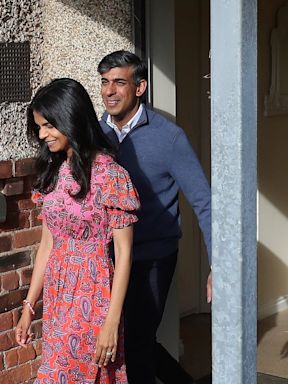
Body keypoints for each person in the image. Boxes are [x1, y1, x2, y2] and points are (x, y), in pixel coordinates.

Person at [97, 50, 212, 384]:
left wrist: (218, 264)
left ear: (140, 87)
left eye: (119, 82)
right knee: (127, 340)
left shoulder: (169, 137)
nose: (109, 91)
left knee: (135, 342)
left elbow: (204, 202)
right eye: (104, 82)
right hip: (106, 259)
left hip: (152, 258)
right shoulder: (94, 135)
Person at [15, 78, 140, 383]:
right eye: (39, 127)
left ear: (70, 119)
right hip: (58, 296)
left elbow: (124, 255)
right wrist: (30, 306)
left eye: (48, 126)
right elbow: (47, 245)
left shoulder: (111, 175)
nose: (43, 135)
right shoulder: (53, 172)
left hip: (94, 293)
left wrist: (111, 322)